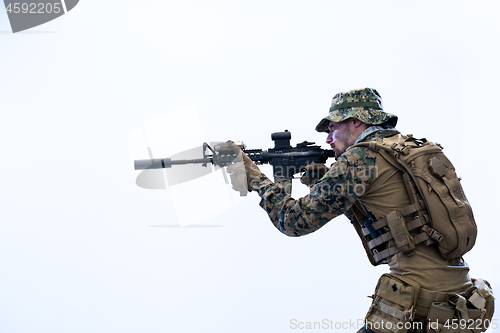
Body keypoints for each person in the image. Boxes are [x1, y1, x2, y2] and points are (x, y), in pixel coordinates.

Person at [227, 87, 493, 333]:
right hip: (459, 300)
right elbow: (397, 207)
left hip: (419, 308)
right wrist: (326, 182)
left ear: (356, 121)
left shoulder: (359, 159)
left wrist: (254, 178)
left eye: (333, 128)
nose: (329, 138)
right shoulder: (406, 148)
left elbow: (293, 221)